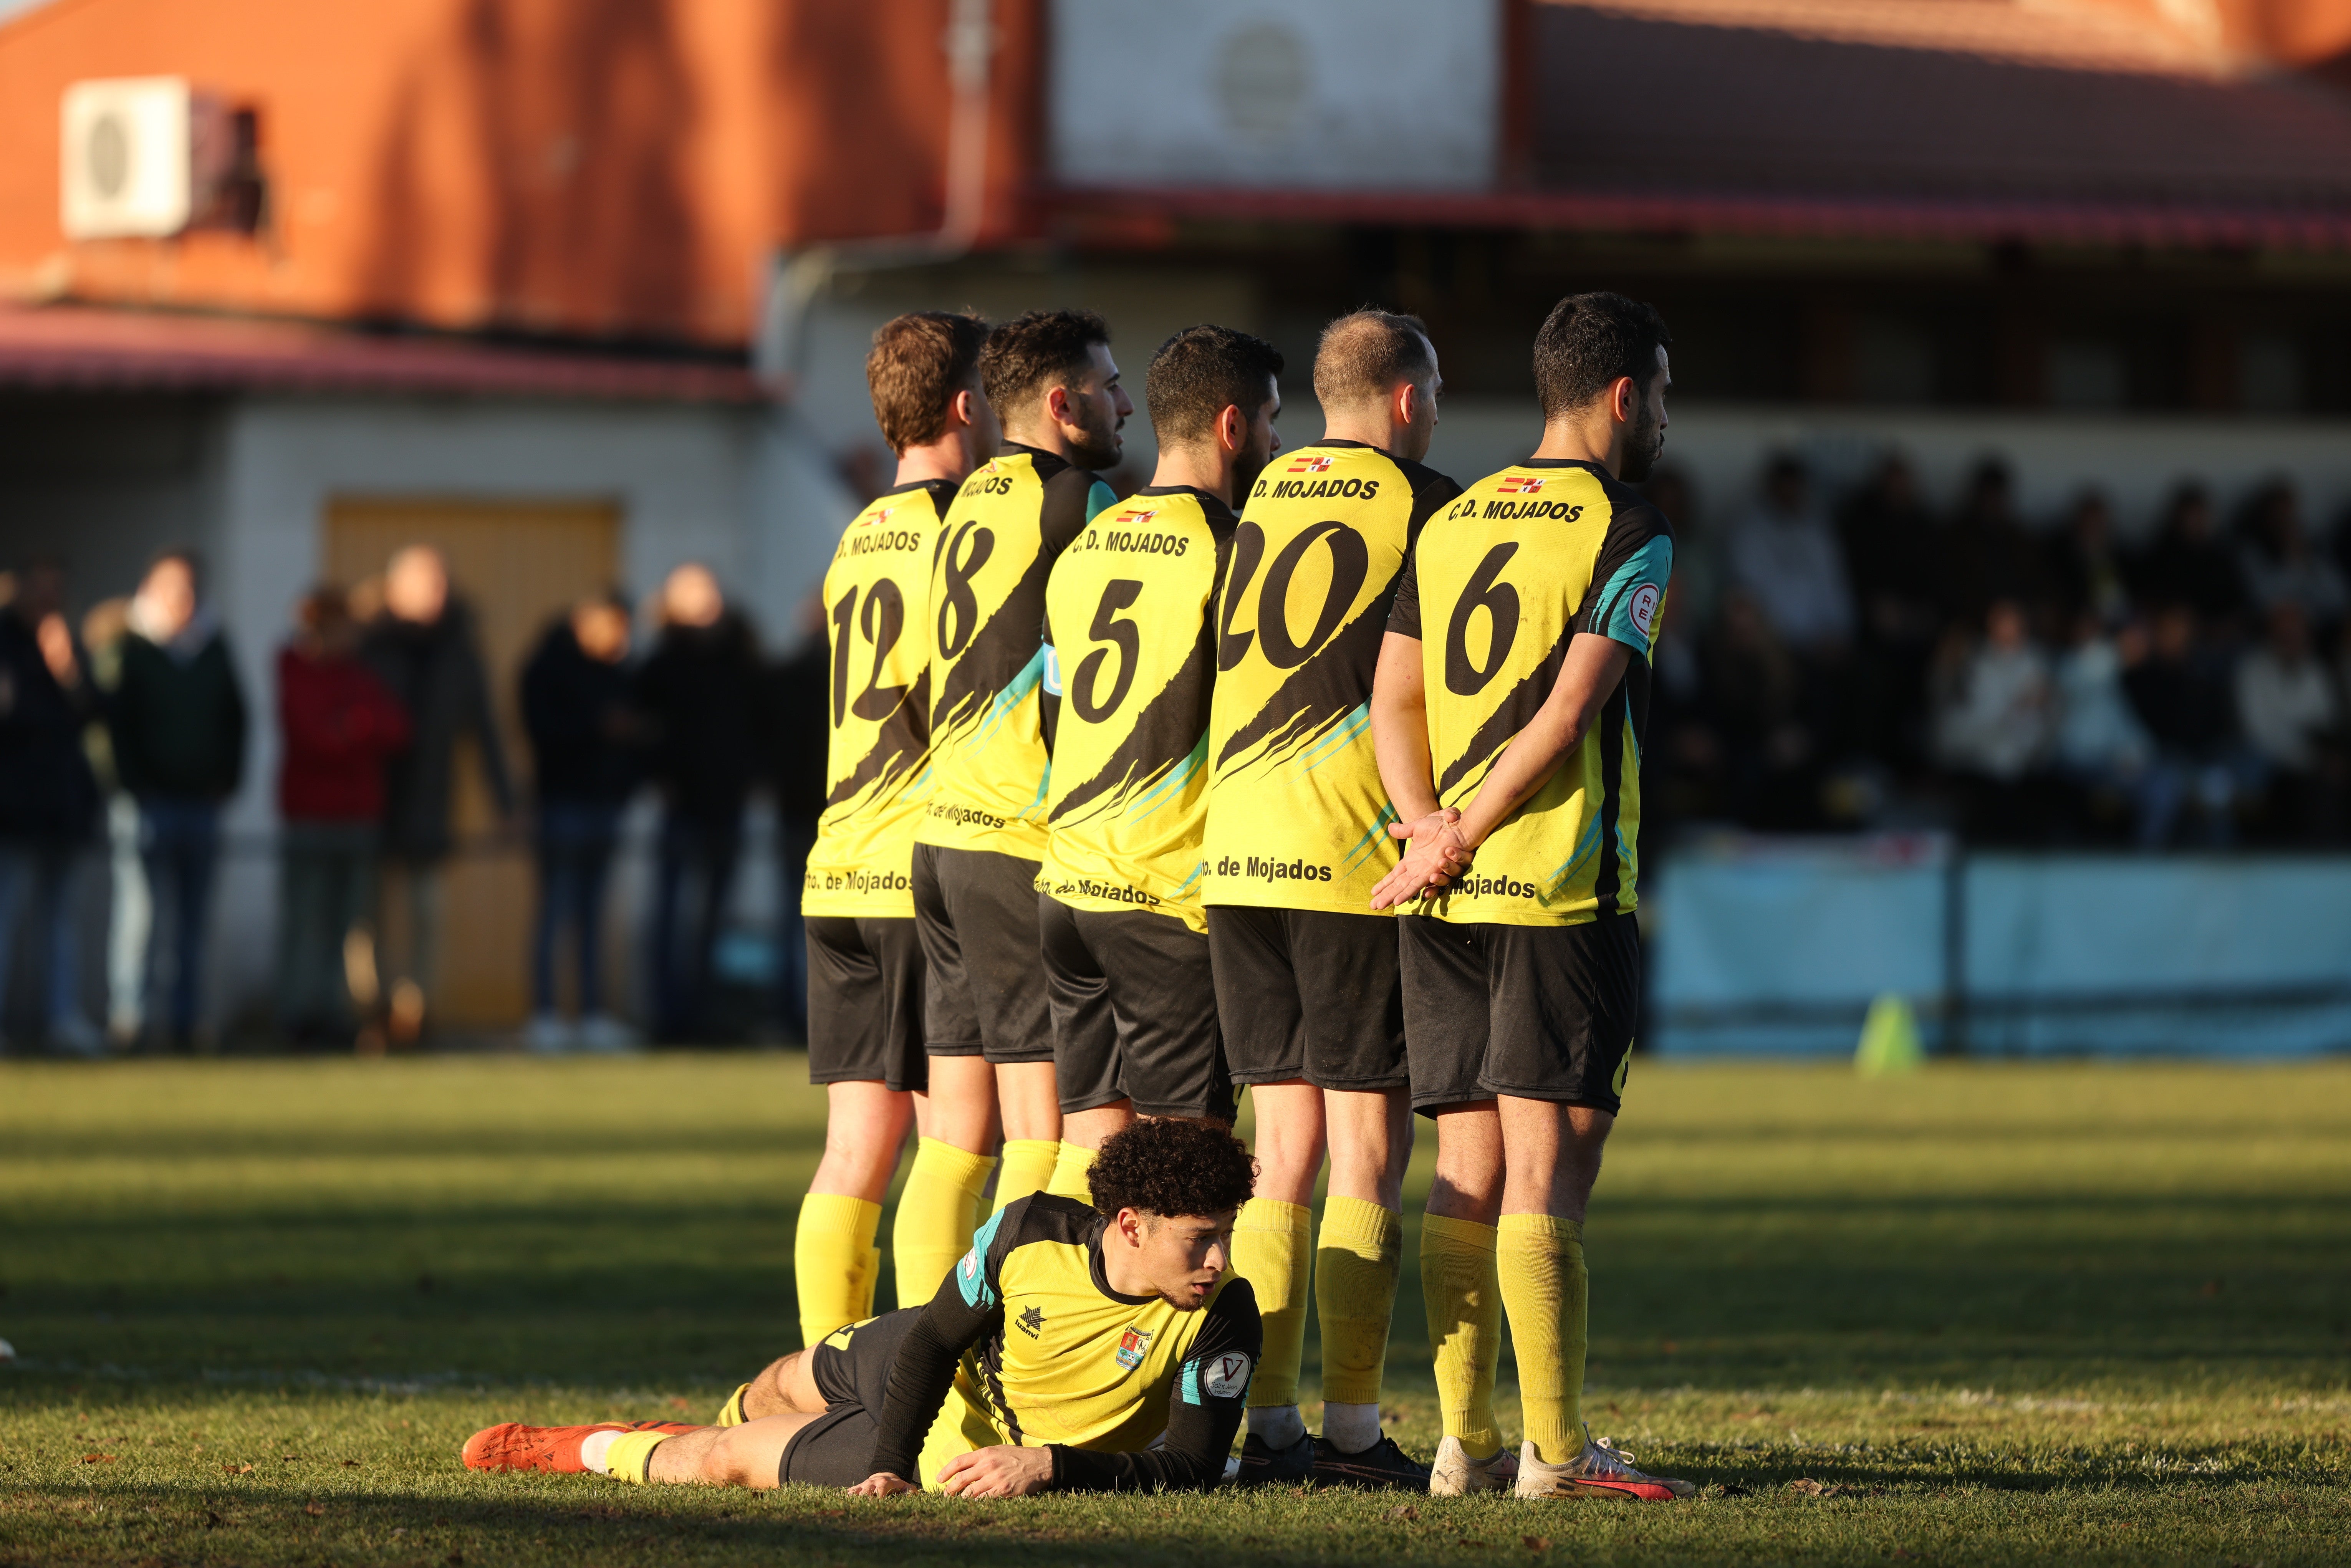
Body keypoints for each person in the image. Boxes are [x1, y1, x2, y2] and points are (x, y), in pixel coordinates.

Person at [1369, 290, 1694, 1502]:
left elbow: (1390, 701)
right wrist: (1462, 835)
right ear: (1624, 397)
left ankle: (1465, 1443)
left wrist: (1427, 832)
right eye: (1660, 392)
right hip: (1556, 891)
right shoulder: (1630, 527)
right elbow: (1567, 717)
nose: (1662, 415)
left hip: (1441, 900)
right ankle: (1555, 1452)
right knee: (1550, 1171)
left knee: (1465, 1165)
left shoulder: (1450, 519)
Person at [460, 1117, 1262, 1497]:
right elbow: (932, 1342)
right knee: (782, 1379)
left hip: (952, 1449)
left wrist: (1046, 1463)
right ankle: (740, 1417)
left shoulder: (1223, 1313)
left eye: (1225, 1235)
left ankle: (581, 1446)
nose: (1219, 1259)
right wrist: (884, 1457)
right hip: (919, 1364)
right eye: (1201, 1238)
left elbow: (1189, 1468)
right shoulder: (1027, 1233)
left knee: (720, 1460)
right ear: (1129, 1224)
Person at [1199, 309, 1456, 1489]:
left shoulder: (1259, 500)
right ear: (1406, 401)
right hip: (1346, 853)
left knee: (1282, 1146)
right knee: (1365, 1143)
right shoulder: (1425, 503)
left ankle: (1266, 1418)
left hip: (1237, 853)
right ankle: (1352, 1430)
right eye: (1436, 395)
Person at [783, 310, 999, 1361]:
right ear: (967, 407)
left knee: (853, 1150)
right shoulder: (973, 534)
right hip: (922, 866)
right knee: (959, 1138)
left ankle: (832, 1378)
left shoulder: (857, 531)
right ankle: (932, 1392)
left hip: (838, 868)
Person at [1031, 325, 1278, 1183]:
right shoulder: (1237, 551)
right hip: (1164, 894)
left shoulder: (1081, 546)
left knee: (1088, 1154)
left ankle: (1050, 1321)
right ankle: (1173, 1325)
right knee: (1191, 1164)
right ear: (1231, 427)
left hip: (1068, 890)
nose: (1279, 445)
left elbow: (1057, 713)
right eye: (1273, 422)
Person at [911, 309, 1132, 1222]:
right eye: (1109, 386)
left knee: (956, 1141)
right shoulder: (1075, 501)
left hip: (942, 836)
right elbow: (1096, 683)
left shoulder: (962, 501)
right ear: (1061, 401)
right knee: (1044, 1130)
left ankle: (941, 1363)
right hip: (1015, 835)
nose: (1124, 403)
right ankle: (1020, 1342)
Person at [361, 545, 514, 1043]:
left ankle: (415, 1013)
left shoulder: (460, 650)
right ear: (394, 587)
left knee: (427, 913)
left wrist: (506, 802)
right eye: (422, 582)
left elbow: (484, 730)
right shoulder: (370, 645)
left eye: (439, 582)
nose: (434, 593)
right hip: (371, 801)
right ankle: (373, 1011)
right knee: (369, 919)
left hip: (430, 799)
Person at [109, 550, 248, 1050]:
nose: (181, 599)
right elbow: (115, 725)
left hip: (200, 805)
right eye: (170, 587)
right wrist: (134, 783)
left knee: (193, 924)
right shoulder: (130, 647)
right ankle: (131, 1020)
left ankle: (189, 1024)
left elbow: (237, 718)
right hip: (146, 804)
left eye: (189, 588)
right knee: (141, 918)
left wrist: (225, 780)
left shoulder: (214, 647)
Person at [632, 563, 764, 1042]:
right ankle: (666, 1018)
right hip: (680, 808)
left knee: (717, 919)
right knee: (668, 918)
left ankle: (710, 1017)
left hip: (727, 804)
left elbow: (758, 723)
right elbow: (640, 731)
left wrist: (753, 778)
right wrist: (659, 778)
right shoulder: (661, 660)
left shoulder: (742, 656)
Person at [276, 586, 412, 1045]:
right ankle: (298, 1012)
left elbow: (395, 727)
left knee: (352, 924)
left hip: (358, 816)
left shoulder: (358, 674)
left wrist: (354, 726)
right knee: (306, 918)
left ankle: (337, 1012)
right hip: (310, 815)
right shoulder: (293, 669)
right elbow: (315, 737)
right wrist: (356, 728)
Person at [519, 590, 642, 1053]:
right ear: (587, 621)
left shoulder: (618, 674)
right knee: (554, 914)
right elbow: (542, 733)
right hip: (561, 806)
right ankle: (545, 1015)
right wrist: (597, 727)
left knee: (594, 918)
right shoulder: (546, 669)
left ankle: (592, 1014)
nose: (622, 640)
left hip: (606, 806)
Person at [0, 561, 103, 1055]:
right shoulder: (7, 645)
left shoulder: (66, 645)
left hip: (64, 809)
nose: (48, 600)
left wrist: (68, 670)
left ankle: (63, 1020)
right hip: (13, 810)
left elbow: (96, 712)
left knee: (59, 922)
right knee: (7, 917)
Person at [1930, 599, 2054, 843]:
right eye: (2001, 622)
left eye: (2013, 622)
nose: (2008, 629)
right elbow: (1971, 719)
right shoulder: (1976, 663)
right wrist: (2018, 706)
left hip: (2027, 763)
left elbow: (2046, 720)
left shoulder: (2037, 662)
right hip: (1981, 761)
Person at [1723, 453, 1852, 655]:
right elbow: (1745, 596)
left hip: (1820, 645)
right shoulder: (1749, 533)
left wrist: (1837, 633)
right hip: (1769, 646)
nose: (1790, 494)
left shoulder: (1816, 534)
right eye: (1784, 487)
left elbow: (1834, 590)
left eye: (1795, 487)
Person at [2234, 601, 2342, 842]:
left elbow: (2324, 722)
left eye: (2297, 630)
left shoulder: (2315, 670)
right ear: (2272, 633)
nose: (2292, 637)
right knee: (2309, 790)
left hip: (2309, 766)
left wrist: (2325, 757)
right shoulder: (2253, 670)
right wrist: (2309, 758)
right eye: (2285, 631)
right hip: (2267, 766)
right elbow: (2258, 734)